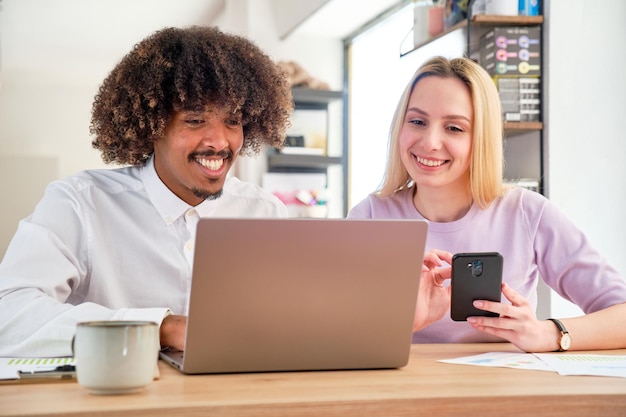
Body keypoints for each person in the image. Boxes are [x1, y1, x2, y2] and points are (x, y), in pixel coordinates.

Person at [0, 26, 294, 357]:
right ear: (150, 125)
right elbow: (8, 315)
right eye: (195, 120)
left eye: (232, 121)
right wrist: (161, 328)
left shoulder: (264, 212)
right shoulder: (80, 203)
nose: (219, 141)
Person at [348, 56, 626, 353]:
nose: (430, 142)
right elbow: (334, 332)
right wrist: (405, 323)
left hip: (501, 395)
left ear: (481, 138)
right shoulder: (370, 216)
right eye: (417, 121)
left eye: (454, 128)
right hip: (398, 394)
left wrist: (548, 333)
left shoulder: (527, 213)